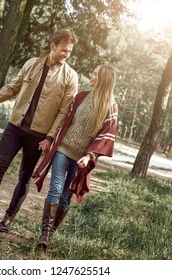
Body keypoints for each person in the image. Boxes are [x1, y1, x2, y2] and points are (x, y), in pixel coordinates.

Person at [0, 29, 79, 233]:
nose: (66, 54)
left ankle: (8, 218)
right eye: (63, 50)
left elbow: (63, 112)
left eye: (69, 52)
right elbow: (12, 88)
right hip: (15, 127)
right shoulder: (31, 64)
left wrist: (50, 137)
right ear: (53, 46)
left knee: (24, 177)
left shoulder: (70, 77)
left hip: (39, 136)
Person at [32, 63, 118, 249]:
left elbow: (105, 137)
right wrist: (50, 138)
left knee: (65, 197)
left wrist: (88, 157)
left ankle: (51, 233)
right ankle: (44, 236)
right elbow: (63, 121)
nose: (91, 75)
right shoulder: (80, 97)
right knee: (55, 188)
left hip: (81, 159)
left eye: (94, 73)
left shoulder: (110, 108)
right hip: (63, 149)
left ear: (102, 79)